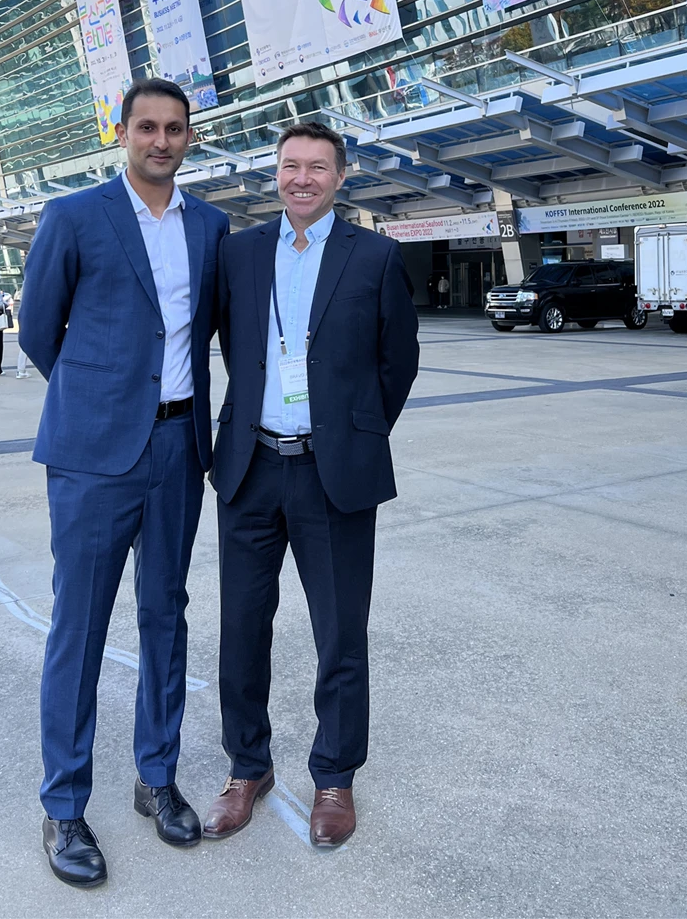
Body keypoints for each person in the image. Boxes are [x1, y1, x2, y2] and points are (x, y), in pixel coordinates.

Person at [19, 77, 228, 889]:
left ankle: (155, 777)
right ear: (121, 133)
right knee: (80, 623)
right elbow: (41, 331)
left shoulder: (209, 225)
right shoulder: (73, 217)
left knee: (164, 615)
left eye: (175, 128)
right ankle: (65, 804)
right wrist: (103, 397)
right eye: (147, 126)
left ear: (189, 138)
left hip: (179, 447)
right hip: (93, 454)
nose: (161, 140)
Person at [207, 120, 419, 849]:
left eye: (317, 167)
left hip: (333, 475)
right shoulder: (236, 253)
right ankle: (246, 766)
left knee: (339, 632)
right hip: (249, 468)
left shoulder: (378, 256)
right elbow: (223, 343)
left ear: (340, 175)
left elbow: (397, 364)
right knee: (240, 627)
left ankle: (335, 775)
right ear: (275, 173)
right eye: (290, 166)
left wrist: (349, 432)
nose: (302, 178)